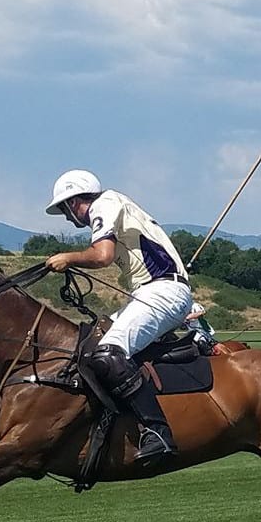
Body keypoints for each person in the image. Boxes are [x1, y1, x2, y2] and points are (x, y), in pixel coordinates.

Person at [44, 169, 193, 466]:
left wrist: (68, 258)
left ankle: (158, 431)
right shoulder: (114, 205)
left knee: (108, 353)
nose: (67, 217)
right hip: (149, 293)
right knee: (90, 347)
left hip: (163, 292)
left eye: (64, 209)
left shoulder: (104, 204)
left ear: (75, 202)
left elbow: (102, 255)